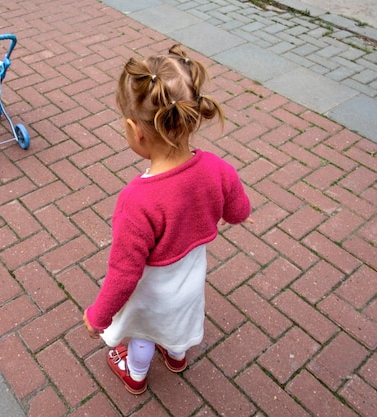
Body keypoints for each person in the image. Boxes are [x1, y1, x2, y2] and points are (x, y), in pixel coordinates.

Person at [83, 44, 252, 394]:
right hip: (190, 279)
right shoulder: (218, 169)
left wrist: (98, 315)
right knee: (178, 322)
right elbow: (239, 212)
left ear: (136, 130)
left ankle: (136, 373)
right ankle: (177, 357)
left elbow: (124, 272)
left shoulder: (137, 200)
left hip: (153, 289)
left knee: (144, 331)